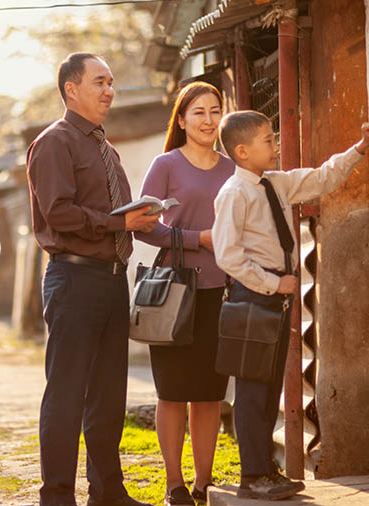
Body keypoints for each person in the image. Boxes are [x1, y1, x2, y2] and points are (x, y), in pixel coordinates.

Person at [212, 111, 369, 500]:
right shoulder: (234, 194)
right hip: (254, 296)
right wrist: (274, 283)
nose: (276, 144)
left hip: (276, 298)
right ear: (242, 150)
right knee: (252, 390)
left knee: (269, 389)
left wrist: (360, 149)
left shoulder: (276, 183)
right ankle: (252, 476)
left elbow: (321, 177)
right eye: (268, 140)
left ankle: (266, 469)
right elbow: (228, 256)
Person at [27, 52, 159, 506]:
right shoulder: (54, 143)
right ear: (71, 89)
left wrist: (138, 218)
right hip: (73, 280)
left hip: (111, 279)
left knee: (108, 393)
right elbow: (58, 214)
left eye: (111, 82)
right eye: (99, 82)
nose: (109, 91)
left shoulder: (106, 148)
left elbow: (108, 214)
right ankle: (57, 496)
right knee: (66, 394)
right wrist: (120, 224)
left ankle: (107, 492)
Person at [133, 82, 234, 506]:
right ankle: (175, 485)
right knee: (172, 391)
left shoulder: (232, 169)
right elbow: (143, 223)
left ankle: (203, 483)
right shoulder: (166, 164)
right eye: (198, 113)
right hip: (173, 292)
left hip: (220, 292)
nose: (208, 120)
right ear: (182, 119)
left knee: (210, 393)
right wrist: (198, 239)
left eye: (215, 111)